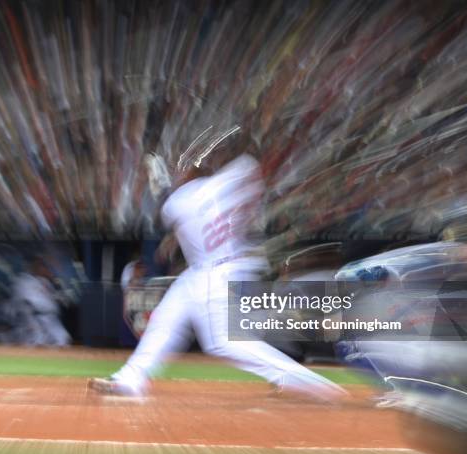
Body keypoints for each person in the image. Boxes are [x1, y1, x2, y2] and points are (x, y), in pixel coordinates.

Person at [89, 134, 346, 400]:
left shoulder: (186, 198)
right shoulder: (231, 181)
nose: (181, 172)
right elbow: (235, 172)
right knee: (166, 318)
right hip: (211, 269)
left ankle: (307, 383)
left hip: (216, 273)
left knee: (223, 343)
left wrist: (164, 186)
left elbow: (169, 203)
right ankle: (130, 378)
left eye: (186, 169)